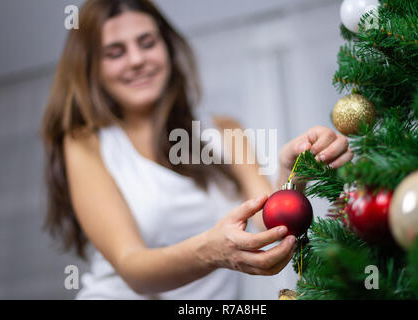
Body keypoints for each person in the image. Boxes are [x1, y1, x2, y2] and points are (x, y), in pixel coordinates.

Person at [41, 0, 353, 299]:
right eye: (115, 52)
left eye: (147, 43)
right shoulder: (86, 143)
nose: (137, 59)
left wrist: (292, 168)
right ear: (91, 68)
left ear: (168, 48)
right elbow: (132, 268)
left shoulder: (224, 130)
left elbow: (266, 220)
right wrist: (212, 252)